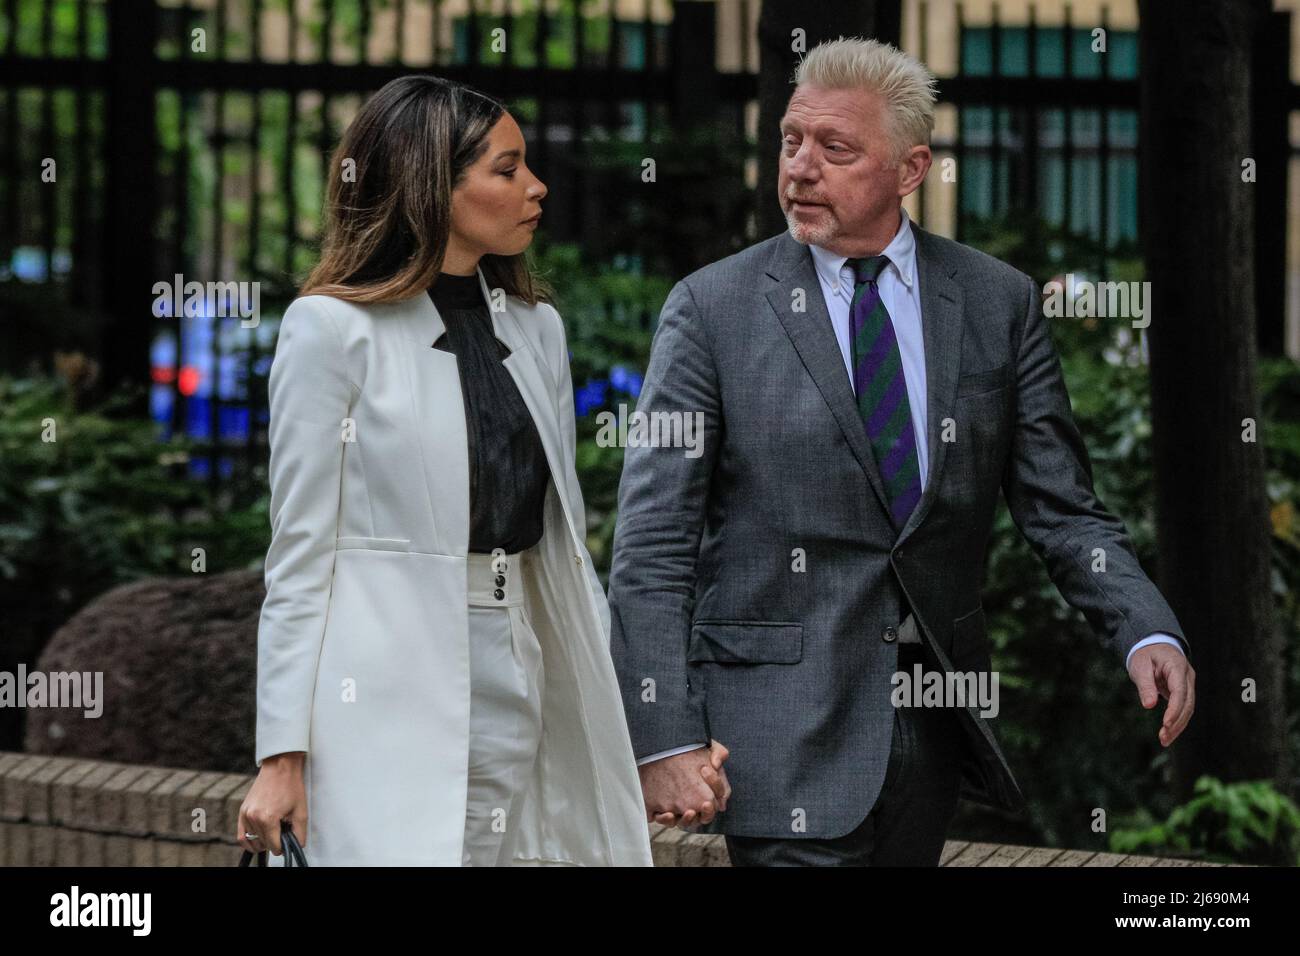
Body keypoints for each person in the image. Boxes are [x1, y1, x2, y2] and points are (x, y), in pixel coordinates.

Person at [608, 37, 1195, 866]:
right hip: (772, 746)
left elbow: (1061, 507)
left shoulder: (998, 302)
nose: (800, 169)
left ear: (911, 169)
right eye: (790, 141)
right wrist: (663, 732)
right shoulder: (713, 309)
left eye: (834, 149)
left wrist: (1145, 629)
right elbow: (651, 546)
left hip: (930, 736)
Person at [237, 76, 676, 865]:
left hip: (518, 663)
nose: (535, 187)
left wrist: (641, 730)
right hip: (374, 692)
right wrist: (281, 754)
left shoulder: (537, 330)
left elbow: (566, 549)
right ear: (429, 185)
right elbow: (300, 559)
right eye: (506, 170)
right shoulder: (331, 330)